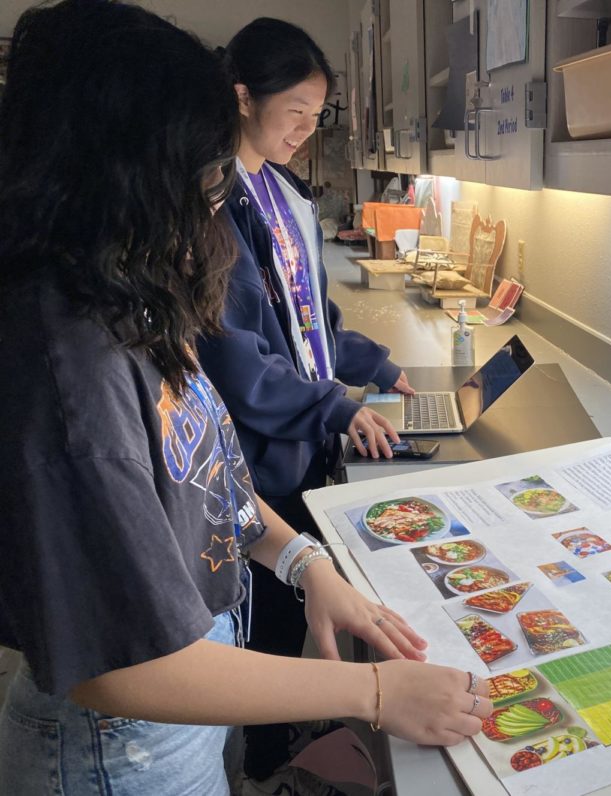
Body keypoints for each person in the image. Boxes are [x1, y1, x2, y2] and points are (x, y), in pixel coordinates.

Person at [0, 3, 490, 795]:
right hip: (118, 749)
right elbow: (123, 669)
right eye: (202, 177)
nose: (214, 204)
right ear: (121, 168)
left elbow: (210, 475)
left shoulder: (132, 299)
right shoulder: (67, 367)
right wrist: (371, 693)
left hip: (187, 705)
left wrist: (303, 561)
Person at [195, 18, 418, 778]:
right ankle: (267, 756)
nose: (305, 130)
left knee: (300, 602)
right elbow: (241, 365)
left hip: (298, 442)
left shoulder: (279, 192)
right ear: (243, 98)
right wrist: (334, 408)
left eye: (316, 116)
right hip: (262, 457)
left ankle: (294, 730)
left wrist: (375, 369)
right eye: (295, 112)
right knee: (270, 610)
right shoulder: (217, 207)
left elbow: (308, 324)